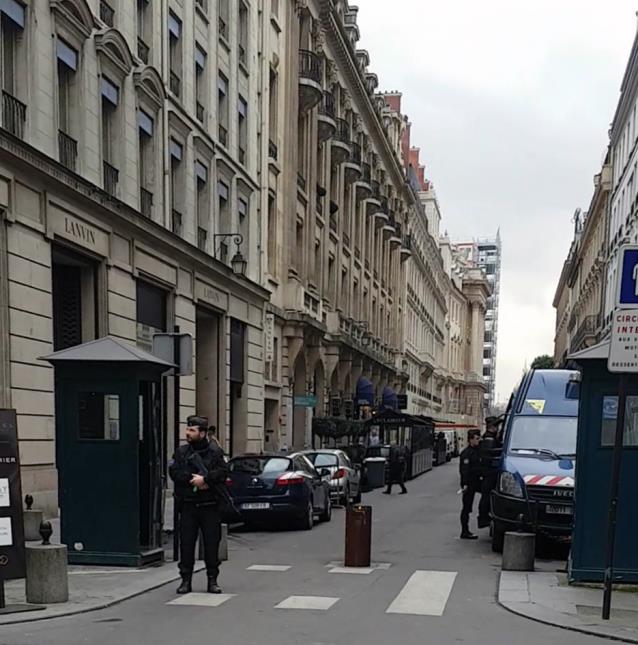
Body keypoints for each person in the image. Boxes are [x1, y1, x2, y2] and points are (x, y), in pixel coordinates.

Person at [169, 415, 227, 595]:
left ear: (202, 433)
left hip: (210, 506)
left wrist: (206, 479)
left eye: (192, 430)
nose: (188, 433)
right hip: (188, 506)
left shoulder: (215, 452)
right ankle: (186, 580)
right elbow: (174, 473)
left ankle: (212, 580)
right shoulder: (181, 452)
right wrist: (192, 480)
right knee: (186, 545)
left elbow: (223, 473)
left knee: (211, 545)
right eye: (187, 429)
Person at [477, 417, 502, 528]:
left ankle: (484, 516)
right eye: (496, 426)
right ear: (492, 427)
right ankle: (483, 517)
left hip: (487, 471)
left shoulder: (489, 437)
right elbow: (489, 454)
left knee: (486, 495)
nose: (497, 429)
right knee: (486, 496)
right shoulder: (489, 439)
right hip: (489, 472)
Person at [459, 430, 482, 539]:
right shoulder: (466, 453)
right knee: (466, 507)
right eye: (477, 438)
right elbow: (464, 470)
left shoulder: (478, 451)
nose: (479, 440)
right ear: (471, 439)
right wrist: (465, 484)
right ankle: (464, 531)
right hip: (469, 483)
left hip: (476, 482)